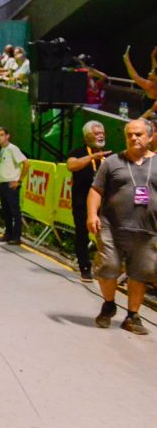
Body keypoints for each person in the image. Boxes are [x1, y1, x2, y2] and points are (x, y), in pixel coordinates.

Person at [86, 118, 156, 335]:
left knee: (140, 273)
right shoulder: (112, 162)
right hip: (112, 227)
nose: (133, 138)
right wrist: (91, 214)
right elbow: (96, 190)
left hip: (148, 231)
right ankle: (109, 303)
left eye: (138, 134)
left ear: (150, 137)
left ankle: (132, 316)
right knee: (108, 267)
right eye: (129, 135)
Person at [66, 121, 111, 281]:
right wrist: (93, 157)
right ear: (87, 136)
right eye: (96, 133)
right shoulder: (78, 152)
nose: (100, 136)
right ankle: (85, 267)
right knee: (82, 235)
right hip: (82, 202)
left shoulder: (109, 156)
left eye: (102, 133)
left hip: (105, 204)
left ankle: (108, 268)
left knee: (108, 236)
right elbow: (71, 166)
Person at [0, 126, 27, 245]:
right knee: (6, 211)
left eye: (2, 135)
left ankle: (16, 236)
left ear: (7, 136)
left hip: (11, 184)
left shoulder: (13, 149)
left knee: (14, 211)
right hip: (3, 183)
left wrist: (19, 181)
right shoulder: (3, 150)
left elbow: (26, 163)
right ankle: (8, 234)